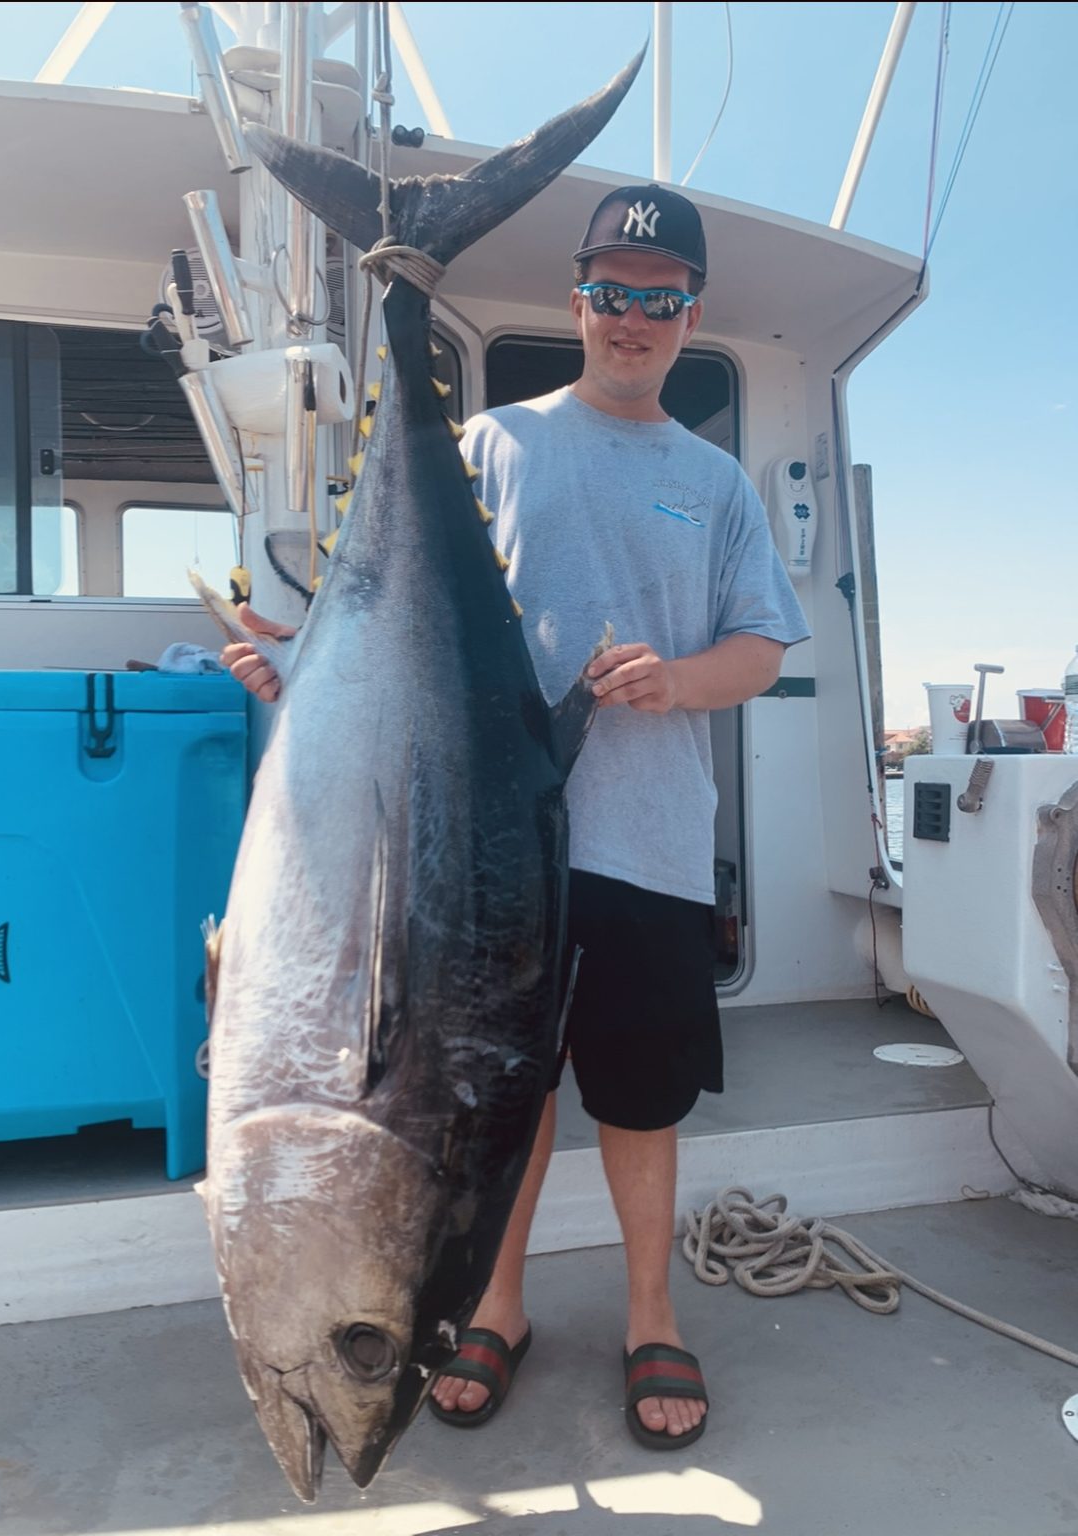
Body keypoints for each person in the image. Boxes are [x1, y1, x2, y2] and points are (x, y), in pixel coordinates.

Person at [222, 184, 810, 1451]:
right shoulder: (488, 443)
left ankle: (652, 1315)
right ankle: (496, 1305)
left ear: (685, 312)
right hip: (479, 861)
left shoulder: (714, 485)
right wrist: (304, 671)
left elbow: (760, 648)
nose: (631, 317)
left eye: (658, 298)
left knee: (639, 1103)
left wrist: (673, 682)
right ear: (578, 300)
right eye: (612, 290)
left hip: (642, 844)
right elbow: (394, 618)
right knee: (497, 1097)